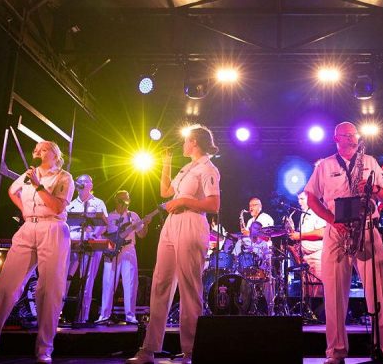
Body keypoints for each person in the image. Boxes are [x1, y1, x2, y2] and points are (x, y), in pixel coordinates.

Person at [0, 141, 74, 364]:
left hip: (53, 227)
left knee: (49, 291)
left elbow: (58, 207)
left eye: (44, 148)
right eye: (37, 148)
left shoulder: (64, 176)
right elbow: (11, 190)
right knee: (4, 288)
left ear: (55, 154)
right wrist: (24, 208)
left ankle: (44, 350)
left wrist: (38, 186)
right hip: (28, 228)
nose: (39, 150)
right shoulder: (28, 174)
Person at [304, 121, 383, 364]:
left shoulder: (369, 161)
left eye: (354, 134)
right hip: (337, 231)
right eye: (346, 135)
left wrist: (376, 188)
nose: (352, 138)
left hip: (367, 228)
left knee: (379, 291)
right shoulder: (325, 165)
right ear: (336, 138)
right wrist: (332, 220)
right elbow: (312, 198)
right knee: (335, 295)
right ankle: (335, 353)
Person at [127, 125, 221, 364]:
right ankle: (148, 349)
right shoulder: (187, 167)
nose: (183, 145)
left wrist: (185, 201)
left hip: (191, 223)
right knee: (160, 283)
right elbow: (165, 191)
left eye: (186, 141)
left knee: (189, 287)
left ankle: (191, 351)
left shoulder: (208, 168)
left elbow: (213, 205)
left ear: (195, 143)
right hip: (172, 224)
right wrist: (166, 162)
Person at [97, 190, 148, 324]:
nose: (124, 202)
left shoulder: (133, 216)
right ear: (116, 200)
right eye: (121, 200)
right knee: (108, 282)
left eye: (127, 200)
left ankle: (130, 316)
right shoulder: (109, 217)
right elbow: (101, 234)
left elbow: (142, 235)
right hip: (112, 251)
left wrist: (146, 223)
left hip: (129, 249)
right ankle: (104, 315)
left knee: (130, 282)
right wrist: (108, 245)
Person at [65, 174, 108, 323]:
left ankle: (82, 318)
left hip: (91, 242)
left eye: (85, 181)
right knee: (65, 278)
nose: (81, 183)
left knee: (87, 280)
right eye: (79, 182)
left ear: (91, 185)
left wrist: (94, 236)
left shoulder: (98, 202)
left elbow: (104, 224)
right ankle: (57, 314)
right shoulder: (70, 204)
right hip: (72, 243)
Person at [233, 221, 275, 314]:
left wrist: (266, 260)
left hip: (259, 272)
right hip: (243, 272)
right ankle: (244, 310)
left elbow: (268, 261)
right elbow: (235, 257)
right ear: (250, 229)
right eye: (255, 228)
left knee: (270, 281)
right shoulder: (242, 242)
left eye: (259, 229)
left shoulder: (264, 244)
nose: (257, 231)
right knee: (244, 284)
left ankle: (270, 311)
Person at [288, 191, 326, 296]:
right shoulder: (302, 215)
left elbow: (322, 232)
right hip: (306, 258)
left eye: (302, 199)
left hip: (317, 257)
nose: (299, 202)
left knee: (318, 293)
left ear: (310, 198)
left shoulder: (317, 211)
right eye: (298, 199)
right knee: (308, 293)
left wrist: (299, 235)